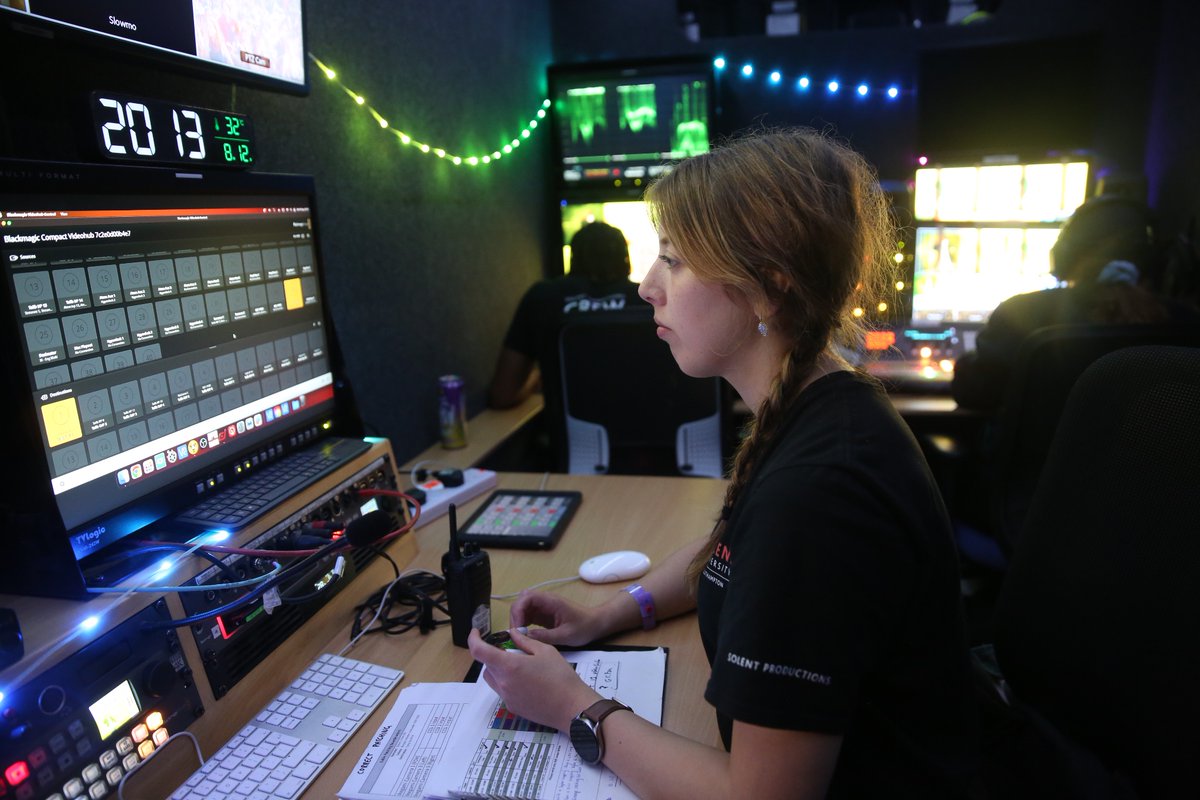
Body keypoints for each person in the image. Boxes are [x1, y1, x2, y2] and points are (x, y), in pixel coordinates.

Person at [468, 128, 981, 798]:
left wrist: (571, 706)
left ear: (768, 289)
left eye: (673, 261)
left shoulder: (816, 497)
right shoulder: (817, 404)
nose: (648, 287)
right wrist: (608, 616)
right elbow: (728, 555)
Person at [952, 194, 1198, 412]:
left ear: (1064, 255)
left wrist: (967, 361)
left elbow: (974, 393)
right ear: (1155, 262)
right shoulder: (1187, 322)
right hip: (1148, 464)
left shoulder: (1021, 313)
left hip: (1041, 465)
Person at [487, 220, 643, 410]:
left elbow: (503, 394)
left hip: (569, 437)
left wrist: (537, 378)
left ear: (573, 258)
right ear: (626, 259)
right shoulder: (647, 299)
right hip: (647, 433)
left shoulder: (541, 297)